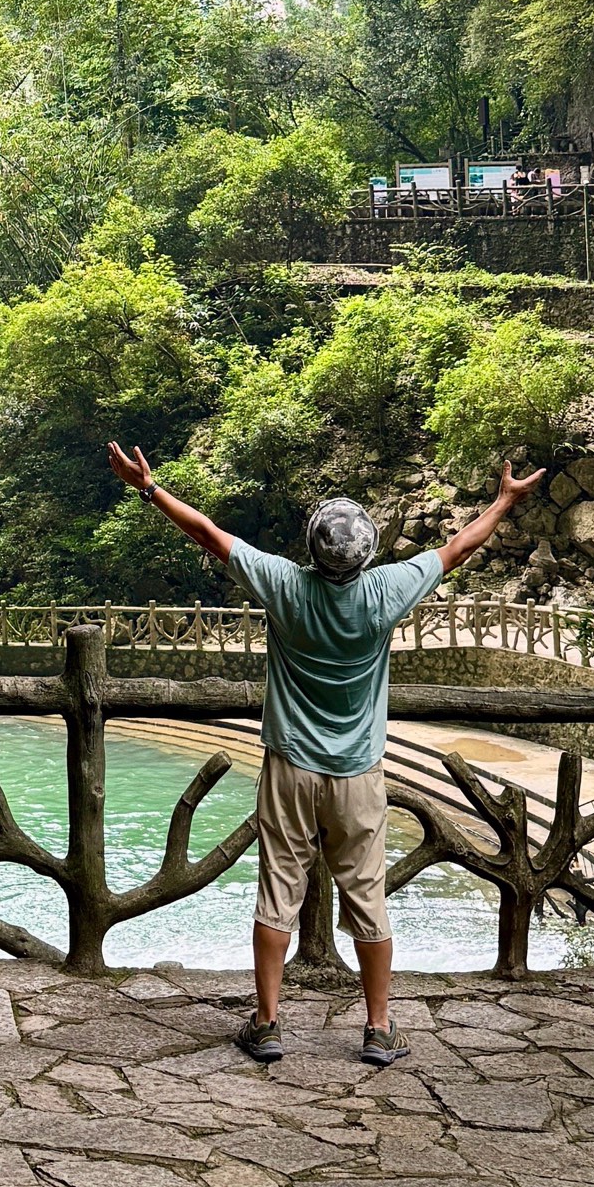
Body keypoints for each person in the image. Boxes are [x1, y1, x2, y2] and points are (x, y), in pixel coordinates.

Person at [106, 439, 548, 1067]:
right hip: (356, 773)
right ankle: (377, 1027)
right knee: (366, 893)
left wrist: (147, 488)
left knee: (277, 890)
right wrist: (503, 501)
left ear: (311, 546)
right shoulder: (385, 593)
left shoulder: (285, 586)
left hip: (290, 765)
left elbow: (209, 534)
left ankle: (267, 1022)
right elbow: (458, 548)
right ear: (367, 553)